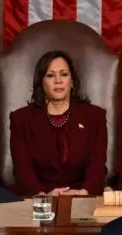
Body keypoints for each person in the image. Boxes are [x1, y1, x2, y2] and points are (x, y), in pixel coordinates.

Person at [9, 50, 107, 196]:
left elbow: (97, 165)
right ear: (41, 83)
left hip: (83, 197)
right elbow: (22, 169)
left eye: (64, 74)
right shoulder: (21, 119)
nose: (58, 81)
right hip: (38, 198)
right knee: (42, 218)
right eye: (50, 75)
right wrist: (43, 197)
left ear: (72, 81)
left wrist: (83, 193)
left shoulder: (95, 117)